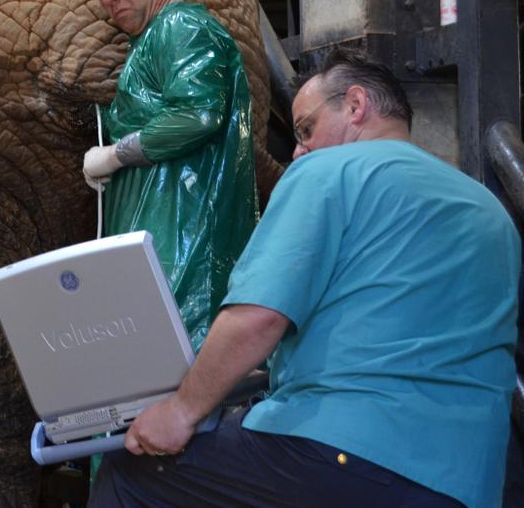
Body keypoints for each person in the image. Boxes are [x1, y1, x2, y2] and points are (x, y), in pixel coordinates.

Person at [91, 49, 521, 507]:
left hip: (346, 454)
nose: (297, 151)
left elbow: (257, 317)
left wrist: (180, 411)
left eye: (305, 130)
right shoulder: (490, 211)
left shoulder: (326, 172)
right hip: (468, 481)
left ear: (355, 106)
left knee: (132, 472)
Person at [78, 0, 258, 350]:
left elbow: (198, 115)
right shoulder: (153, 39)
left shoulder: (181, 28)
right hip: (164, 238)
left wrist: (116, 154)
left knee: (174, 365)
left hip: (183, 243)